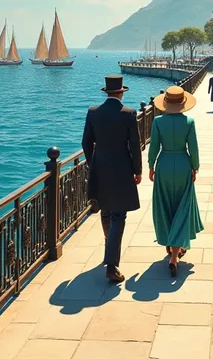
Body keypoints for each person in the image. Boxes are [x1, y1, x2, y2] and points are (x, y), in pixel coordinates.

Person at [82, 75, 142, 283]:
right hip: (122, 169)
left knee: (106, 209)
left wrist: (93, 163)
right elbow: (135, 145)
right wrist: (137, 170)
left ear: (107, 93)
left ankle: (109, 243)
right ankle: (112, 265)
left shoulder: (93, 112)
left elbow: (86, 143)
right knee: (119, 215)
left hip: (100, 168)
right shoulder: (128, 113)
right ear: (122, 92)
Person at [149, 86, 204, 276]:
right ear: (182, 104)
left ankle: (171, 247)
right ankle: (175, 255)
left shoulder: (157, 122)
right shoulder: (189, 121)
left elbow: (153, 147)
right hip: (182, 163)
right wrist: (195, 167)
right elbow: (194, 149)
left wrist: (150, 166)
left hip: (164, 164)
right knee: (183, 206)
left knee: (165, 205)